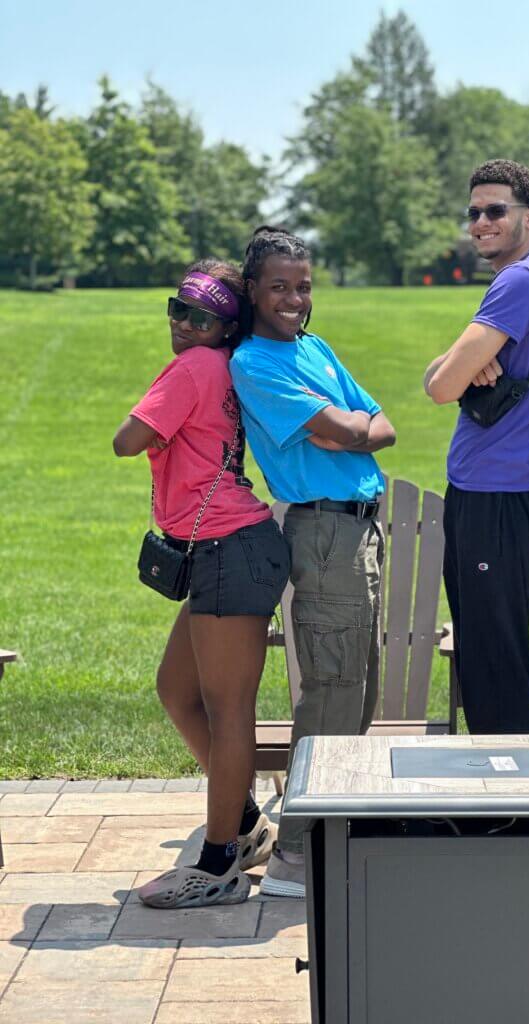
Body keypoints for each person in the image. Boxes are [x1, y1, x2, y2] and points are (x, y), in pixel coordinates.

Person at [113, 260, 290, 908]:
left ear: (225, 327)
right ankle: (241, 824)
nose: (185, 325)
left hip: (231, 549)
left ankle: (218, 866)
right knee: (177, 690)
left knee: (226, 707)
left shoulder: (195, 368)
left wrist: (163, 403)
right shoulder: (226, 366)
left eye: (203, 317)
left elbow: (126, 440)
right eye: (178, 309)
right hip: (226, 548)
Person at [230, 226, 396, 898]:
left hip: (361, 531)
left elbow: (380, 423)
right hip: (324, 532)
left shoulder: (315, 347)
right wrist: (353, 429)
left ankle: (331, 829)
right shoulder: (254, 362)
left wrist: (356, 428)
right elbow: (345, 430)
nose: (295, 298)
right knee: (331, 689)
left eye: (303, 285)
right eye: (280, 287)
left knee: (360, 686)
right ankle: (296, 857)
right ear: (252, 290)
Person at [424, 159, 529, 735]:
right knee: (489, 651)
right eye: (474, 212)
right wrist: (460, 363)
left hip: (498, 496)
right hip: (497, 492)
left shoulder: (520, 281)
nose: (480, 222)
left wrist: (457, 366)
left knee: (494, 657)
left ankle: (516, 808)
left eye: (495, 211)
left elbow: (438, 387)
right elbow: (444, 373)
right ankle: (506, 801)